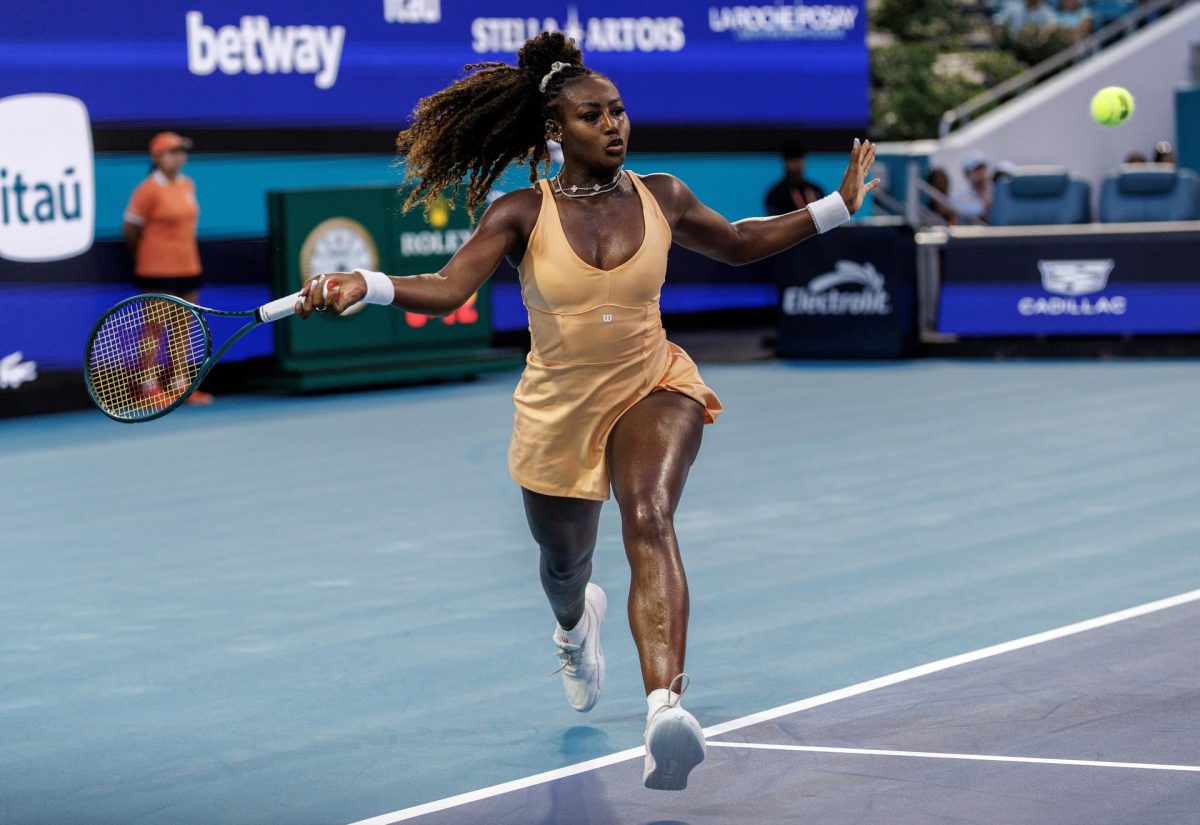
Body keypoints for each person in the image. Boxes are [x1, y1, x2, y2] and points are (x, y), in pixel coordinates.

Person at [295, 32, 878, 791]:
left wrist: (837, 207)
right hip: (558, 410)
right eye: (593, 115)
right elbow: (447, 288)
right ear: (555, 131)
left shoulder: (661, 194)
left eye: (620, 111)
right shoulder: (519, 214)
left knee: (649, 517)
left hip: (651, 381)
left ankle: (665, 707)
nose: (614, 126)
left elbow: (737, 241)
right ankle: (575, 627)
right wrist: (362, 284)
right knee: (564, 567)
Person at [122, 131, 213, 405]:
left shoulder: (188, 184)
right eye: (173, 152)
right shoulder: (147, 189)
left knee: (184, 326)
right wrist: (150, 255)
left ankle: (181, 385)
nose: (179, 157)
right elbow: (130, 230)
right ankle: (148, 387)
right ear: (158, 157)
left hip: (188, 265)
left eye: (181, 151)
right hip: (156, 269)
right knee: (155, 327)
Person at [764, 140, 827, 216]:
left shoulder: (816, 191)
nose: (795, 163)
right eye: (791, 159)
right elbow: (775, 224)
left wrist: (814, 212)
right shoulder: (775, 195)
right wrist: (805, 214)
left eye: (798, 158)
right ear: (784, 162)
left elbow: (826, 220)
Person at [951, 150, 992, 223]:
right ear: (967, 174)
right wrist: (984, 207)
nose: (981, 172)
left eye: (982, 168)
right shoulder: (958, 195)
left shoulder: (995, 190)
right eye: (976, 169)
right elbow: (963, 212)